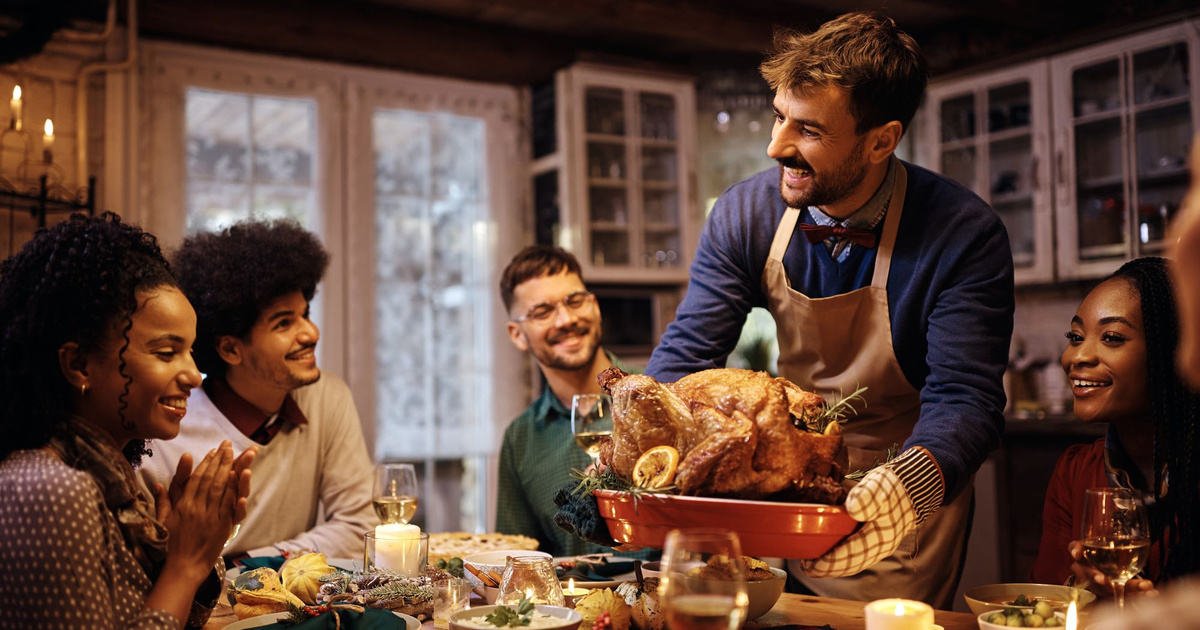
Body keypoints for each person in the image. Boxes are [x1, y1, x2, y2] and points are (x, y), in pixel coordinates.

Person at [645, 11, 1014, 606]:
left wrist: (908, 488)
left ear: (881, 141)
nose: (775, 146)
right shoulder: (746, 214)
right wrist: (643, 442)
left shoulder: (963, 234)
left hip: (896, 490)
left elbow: (967, 398)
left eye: (809, 130)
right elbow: (689, 349)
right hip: (786, 477)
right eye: (778, 117)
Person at [0, 213, 253, 629]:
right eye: (166, 352)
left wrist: (189, 555)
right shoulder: (52, 491)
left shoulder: (116, 484)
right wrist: (183, 567)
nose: (192, 375)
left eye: (190, 351)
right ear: (80, 364)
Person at [139, 219, 374, 561]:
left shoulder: (328, 397)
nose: (311, 333)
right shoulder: (163, 436)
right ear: (231, 349)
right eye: (284, 323)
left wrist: (250, 563)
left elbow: (358, 527)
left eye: (305, 314)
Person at [1030, 258, 1200, 594]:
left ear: (1174, 353)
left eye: (1111, 337)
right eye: (1075, 336)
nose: (1077, 356)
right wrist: (1080, 589)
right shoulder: (1075, 471)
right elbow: (1042, 603)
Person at [495, 245, 639, 557]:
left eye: (575, 301)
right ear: (517, 334)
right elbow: (517, 560)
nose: (565, 320)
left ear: (595, 307)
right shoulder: (519, 439)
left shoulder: (656, 396)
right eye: (543, 312)